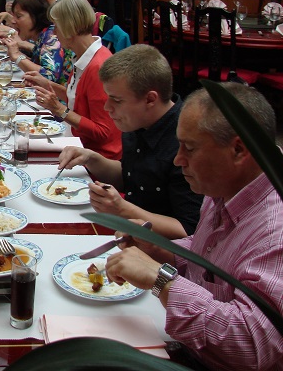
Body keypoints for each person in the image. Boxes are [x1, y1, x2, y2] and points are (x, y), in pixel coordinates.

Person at [105, 83, 283, 371]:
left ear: (238, 149)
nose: (178, 160)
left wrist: (160, 278)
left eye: (189, 148)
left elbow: (251, 345)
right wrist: (162, 250)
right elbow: (210, 256)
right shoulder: (227, 184)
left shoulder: (275, 228)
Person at [58, 45, 202, 238]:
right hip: (129, 234)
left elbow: (188, 231)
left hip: (161, 254)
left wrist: (123, 209)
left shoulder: (185, 144)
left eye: (116, 100)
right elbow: (132, 177)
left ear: (150, 99)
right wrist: (91, 159)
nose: (108, 108)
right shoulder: (137, 121)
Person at [26, 0, 122, 160]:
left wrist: (59, 109)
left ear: (68, 29)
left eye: (56, 26)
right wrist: (47, 83)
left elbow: (103, 133)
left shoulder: (98, 67)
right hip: (75, 142)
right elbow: (77, 98)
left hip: (94, 157)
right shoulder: (83, 55)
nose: (54, 32)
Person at [2, 0, 67, 85]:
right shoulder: (41, 36)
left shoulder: (51, 37)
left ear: (36, 16)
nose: (13, 21)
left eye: (18, 16)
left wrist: (17, 56)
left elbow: (49, 77)